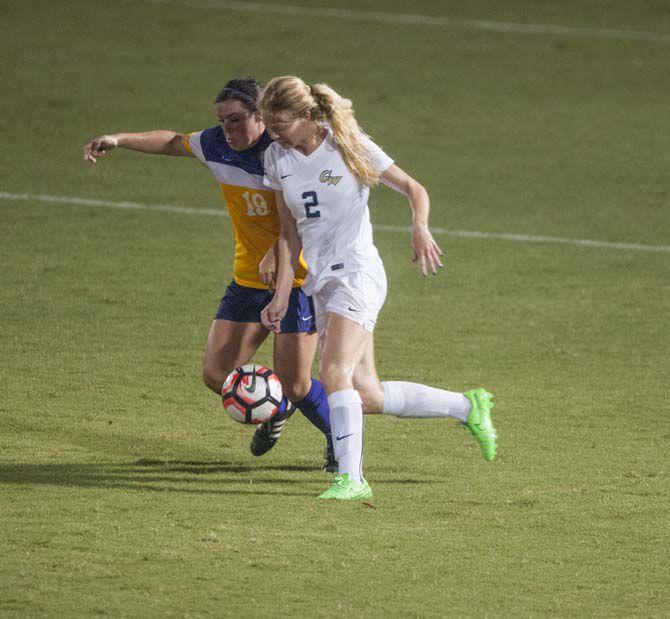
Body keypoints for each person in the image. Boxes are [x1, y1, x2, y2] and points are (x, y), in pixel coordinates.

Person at [258, 76, 498, 501]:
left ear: (309, 116)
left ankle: (352, 479)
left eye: (280, 126)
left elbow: (413, 188)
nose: (274, 135)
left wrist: (419, 226)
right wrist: (281, 293)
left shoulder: (348, 147)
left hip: (357, 274)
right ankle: (467, 406)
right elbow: (288, 230)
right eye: (270, 127)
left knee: (333, 374)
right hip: (319, 279)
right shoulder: (277, 158)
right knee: (364, 393)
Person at [82, 77, 336, 470]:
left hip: (297, 280)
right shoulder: (217, 145)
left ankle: (341, 439)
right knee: (217, 373)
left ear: (261, 117)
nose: (228, 130)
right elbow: (173, 141)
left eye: (236, 120)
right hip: (248, 279)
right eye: (222, 121)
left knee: (299, 384)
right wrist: (118, 139)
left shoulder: (285, 153)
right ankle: (275, 408)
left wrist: (274, 252)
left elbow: (311, 214)